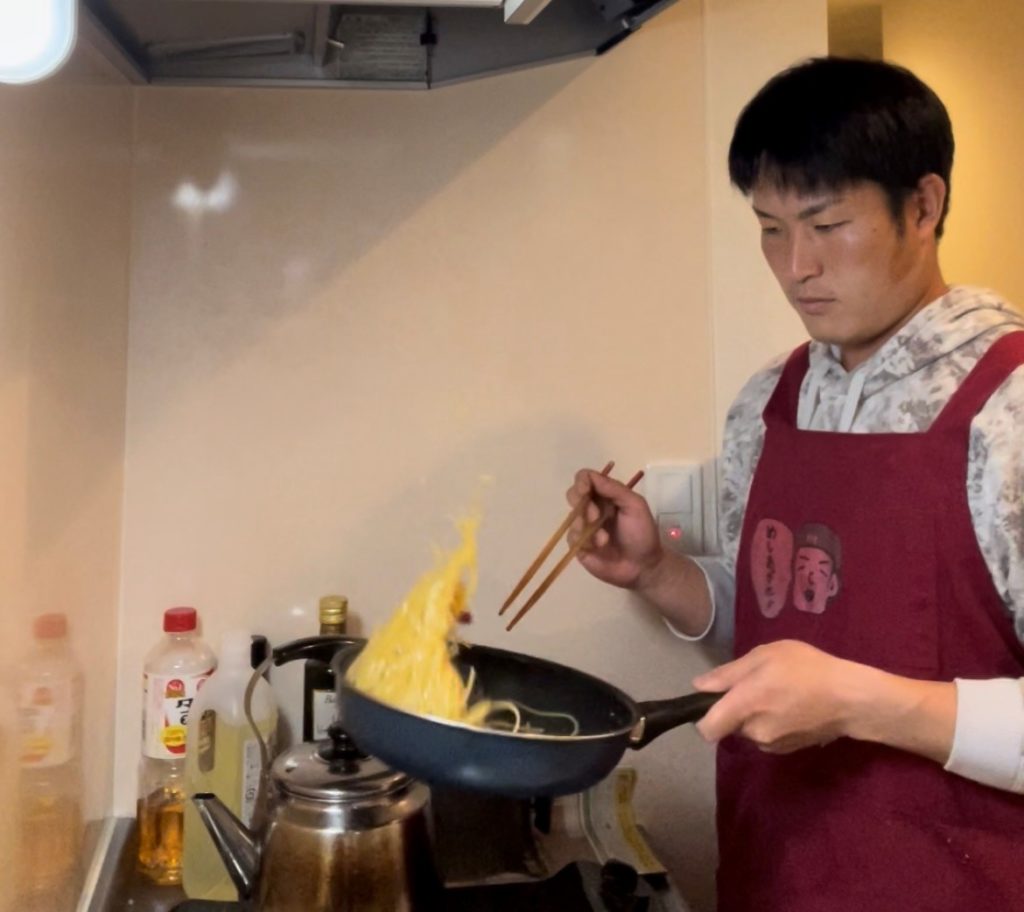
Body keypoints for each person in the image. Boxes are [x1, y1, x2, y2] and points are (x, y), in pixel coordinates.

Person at [567, 57, 1024, 912]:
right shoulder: (769, 401)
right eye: (771, 229)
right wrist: (657, 573)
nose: (795, 266)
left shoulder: (1009, 405)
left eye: (827, 224)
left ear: (923, 206)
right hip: (778, 869)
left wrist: (856, 704)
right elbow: (779, 624)